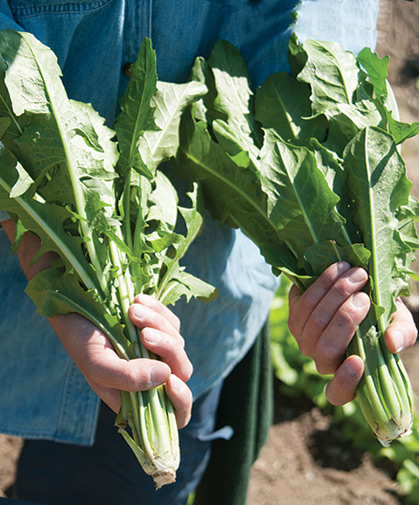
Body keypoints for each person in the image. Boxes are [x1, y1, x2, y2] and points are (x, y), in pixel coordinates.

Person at [0, 1, 416, 504]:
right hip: (16, 290)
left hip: (197, 317)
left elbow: (322, 24)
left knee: (115, 481)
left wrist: (332, 260)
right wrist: (49, 258)